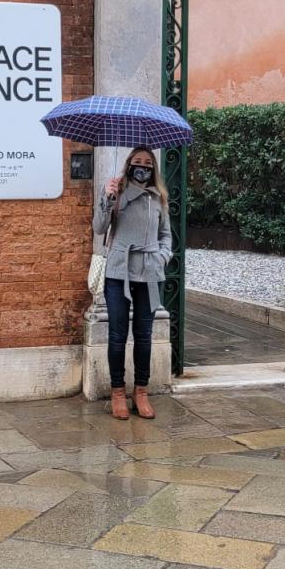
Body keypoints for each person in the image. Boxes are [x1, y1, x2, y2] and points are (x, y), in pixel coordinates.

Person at [94, 145, 173, 420]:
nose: (142, 166)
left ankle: (141, 392)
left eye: (147, 162)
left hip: (149, 272)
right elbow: (99, 228)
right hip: (118, 271)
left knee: (144, 335)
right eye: (137, 161)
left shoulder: (159, 197)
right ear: (128, 164)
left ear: (153, 168)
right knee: (117, 335)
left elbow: (167, 236)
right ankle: (118, 392)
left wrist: (162, 257)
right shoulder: (116, 191)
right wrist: (107, 198)